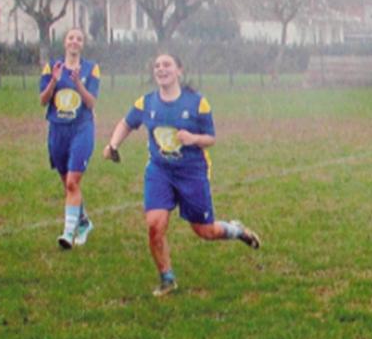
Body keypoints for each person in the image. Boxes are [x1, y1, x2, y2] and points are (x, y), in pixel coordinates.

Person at [101, 53, 261, 296]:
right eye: (157, 66)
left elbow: (211, 138)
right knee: (155, 225)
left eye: (167, 65)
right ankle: (167, 278)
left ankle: (236, 230)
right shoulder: (146, 102)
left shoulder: (197, 103)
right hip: (159, 171)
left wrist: (193, 138)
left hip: (192, 173)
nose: (161, 69)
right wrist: (113, 145)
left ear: (179, 71)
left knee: (204, 231)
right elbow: (126, 123)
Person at [38, 27, 102, 249]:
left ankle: (67, 233)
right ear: (65, 42)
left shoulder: (92, 69)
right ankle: (84, 223)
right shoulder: (52, 66)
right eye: (71, 38)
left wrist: (78, 83)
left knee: (73, 181)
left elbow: (91, 102)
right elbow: (43, 100)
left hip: (81, 129)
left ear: (82, 44)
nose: (75, 42)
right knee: (68, 184)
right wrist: (54, 81)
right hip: (57, 130)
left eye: (79, 39)